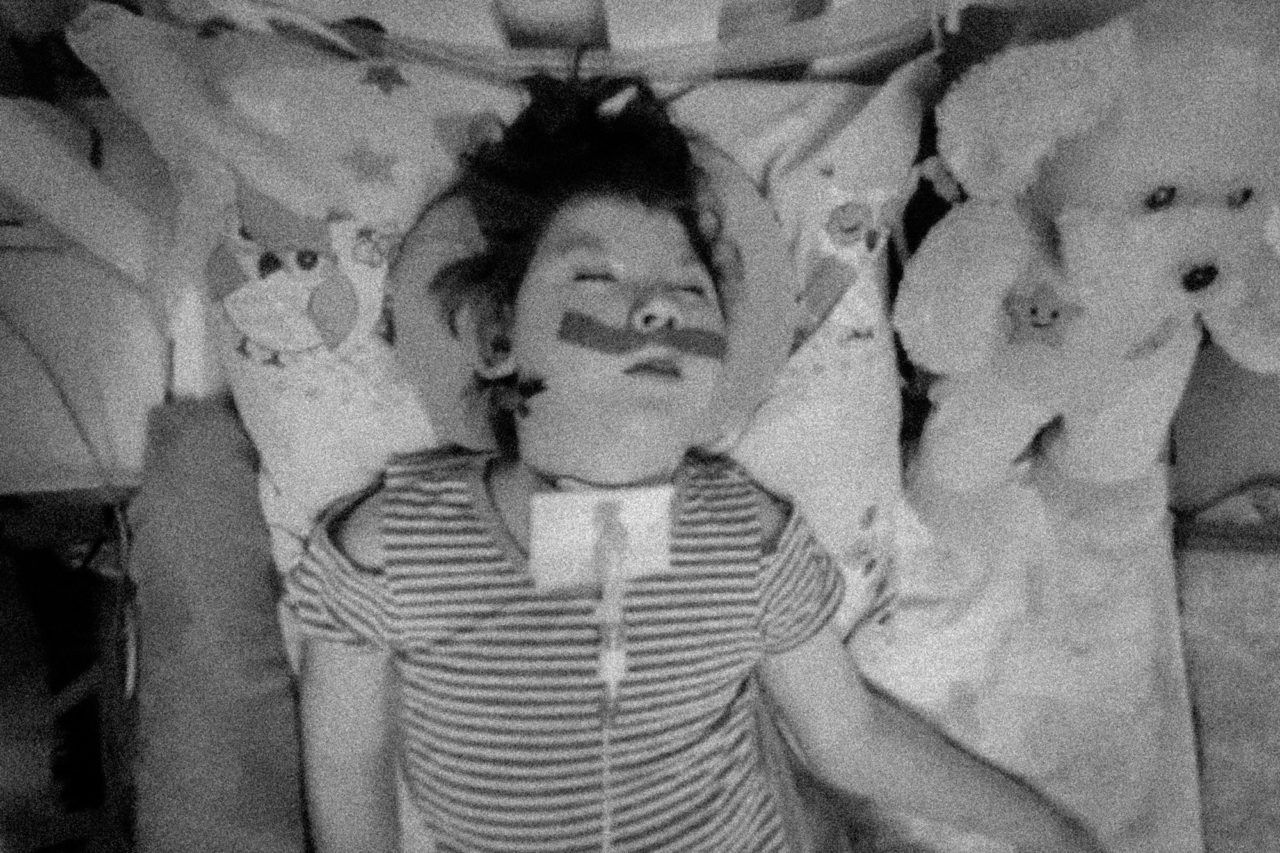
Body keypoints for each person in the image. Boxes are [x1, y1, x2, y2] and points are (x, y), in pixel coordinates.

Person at [285, 74, 1104, 853]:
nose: (654, 307)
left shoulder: (746, 534)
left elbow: (849, 736)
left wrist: (1049, 831)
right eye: (595, 274)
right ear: (499, 338)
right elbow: (348, 762)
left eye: (688, 289)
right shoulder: (393, 545)